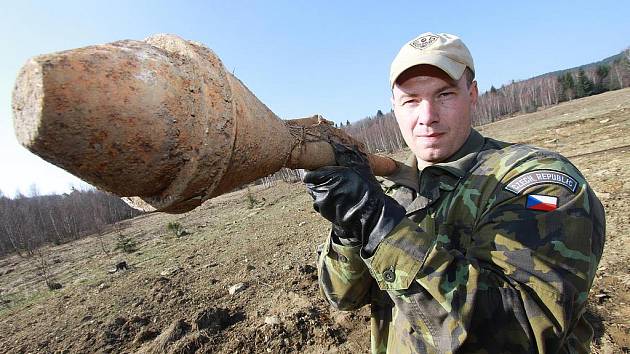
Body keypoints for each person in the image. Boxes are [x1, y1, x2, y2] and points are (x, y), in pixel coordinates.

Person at [304, 32, 605, 353]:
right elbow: (344, 297)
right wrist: (350, 224)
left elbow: (524, 331)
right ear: (394, 107)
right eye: (410, 100)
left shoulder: (536, 183)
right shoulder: (390, 191)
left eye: (444, 94)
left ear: (472, 94)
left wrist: (382, 228)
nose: (426, 116)